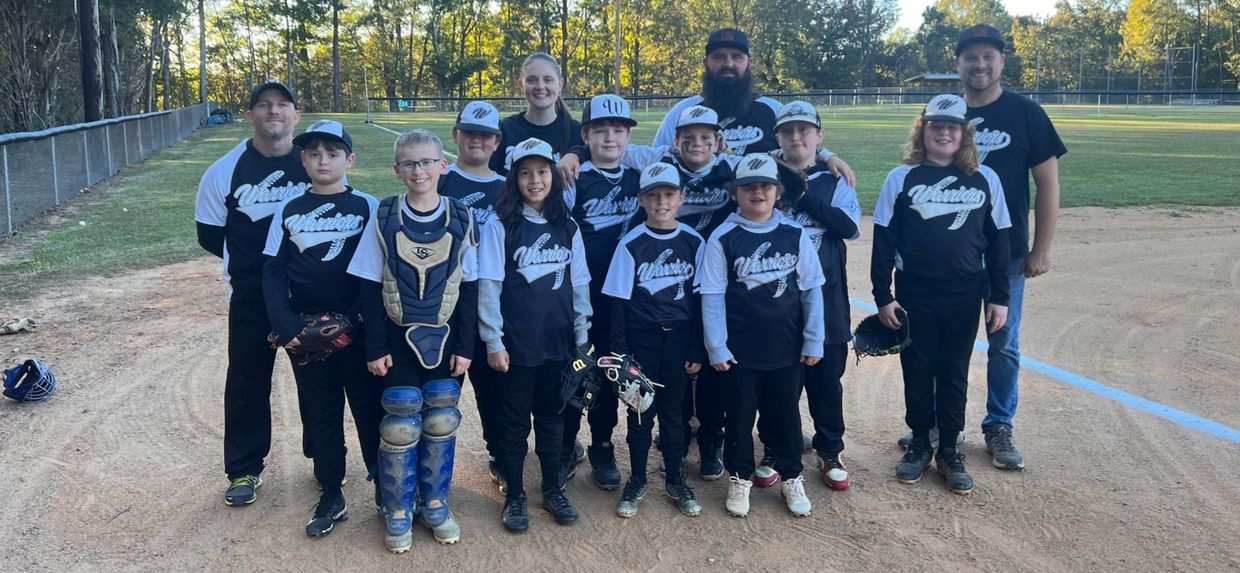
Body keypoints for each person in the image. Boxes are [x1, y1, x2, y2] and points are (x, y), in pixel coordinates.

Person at [896, 25, 1067, 469]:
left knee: (1002, 341)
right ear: (958, 64)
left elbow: (1047, 185)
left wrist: (1041, 248)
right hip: (944, 256)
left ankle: (998, 425)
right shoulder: (940, 114)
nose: (979, 64)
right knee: (934, 340)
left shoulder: (1026, 114)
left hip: (1003, 252)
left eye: (988, 56)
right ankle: (932, 425)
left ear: (1001, 62)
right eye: (970, 57)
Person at [871, 94, 1012, 495]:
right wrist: (883, 294)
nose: (944, 132)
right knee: (917, 368)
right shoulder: (902, 177)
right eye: (936, 126)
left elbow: (999, 242)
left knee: (954, 370)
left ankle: (949, 448)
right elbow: (884, 239)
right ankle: (919, 441)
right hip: (914, 290)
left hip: (964, 291)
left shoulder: (986, 178)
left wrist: (998, 296)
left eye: (952, 127)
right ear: (923, 131)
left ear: (965, 133)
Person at [347, 129, 477, 551]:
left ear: (443, 165)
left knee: (442, 418)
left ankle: (436, 501)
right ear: (397, 170)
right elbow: (369, 287)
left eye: (426, 162)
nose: (418, 170)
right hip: (396, 340)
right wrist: (375, 346)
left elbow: (469, 288)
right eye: (409, 163)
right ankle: (399, 507)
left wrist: (466, 346)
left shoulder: (461, 217)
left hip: (445, 337)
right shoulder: (384, 217)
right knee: (401, 421)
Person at [261, 120, 382, 538]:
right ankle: (331, 491)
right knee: (321, 414)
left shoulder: (368, 205)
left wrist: (360, 326)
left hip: (358, 329)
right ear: (303, 161)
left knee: (369, 411)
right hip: (308, 334)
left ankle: (384, 485)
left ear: (349, 159)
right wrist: (287, 327)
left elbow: (376, 275)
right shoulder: (289, 208)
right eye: (313, 154)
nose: (322, 160)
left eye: (332, 153)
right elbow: (273, 272)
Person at [194, 79, 309, 507]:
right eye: (264, 105)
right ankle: (244, 468)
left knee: (316, 382)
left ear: (296, 115)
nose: (273, 112)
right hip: (251, 296)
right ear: (251, 115)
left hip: (306, 296)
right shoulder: (224, 170)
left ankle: (324, 461)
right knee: (246, 382)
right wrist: (255, 266)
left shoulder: (312, 162)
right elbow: (209, 234)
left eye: (283, 105)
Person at [699, 153, 825, 518]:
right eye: (749, 186)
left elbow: (812, 290)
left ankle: (790, 475)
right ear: (735, 193)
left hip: (786, 347)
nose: (758, 192)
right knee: (738, 416)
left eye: (765, 186)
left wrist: (813, 339)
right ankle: (740, 476)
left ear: (777, 192)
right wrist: (716, 346)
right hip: (740, 351)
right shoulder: (724, 237)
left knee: (785, 414)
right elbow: (712, 295)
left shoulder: (794, 234)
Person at [477, 138, 591, 533]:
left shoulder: (567, 225)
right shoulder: (500, 224)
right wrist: (493, 341)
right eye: (525, 172)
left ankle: (551, 488)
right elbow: (489, 286)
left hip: (558, 342)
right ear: (513, 178)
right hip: (517, 341)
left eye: (542, 171)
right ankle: (515, 495)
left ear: (554, 176)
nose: (535, 179)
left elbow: (580, 286)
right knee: (512, 422)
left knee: (552, 417)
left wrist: (582, 335)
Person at [601, 162, 706, 518]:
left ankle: (675, 478)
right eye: (654, 195)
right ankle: (638, 479)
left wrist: (696, 347)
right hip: (641, 340)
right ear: (641, 200)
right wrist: (621, 352)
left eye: (669, 194)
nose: (662, 202)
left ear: (681, 198)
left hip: (679, 339)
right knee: (639, 414)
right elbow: (618, 303)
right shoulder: (631, 243)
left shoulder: (695, 241)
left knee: (675, 414)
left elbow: (702, 300)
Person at [773, 101, 861, 491]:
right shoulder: (763, 175)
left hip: (827, 300)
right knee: (779, 383)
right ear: (777, 137)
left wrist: (804, 195)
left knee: (826, 380)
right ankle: (777, 448)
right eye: (788, 131)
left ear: (818, 136)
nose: (796, 137)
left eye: (805, 130)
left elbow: (847, 227)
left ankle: (830, 448)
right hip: (777, 303)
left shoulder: (834, 180)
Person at [560, 94, 644, 491]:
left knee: (612, 371)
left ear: (627, 136)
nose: (610, 137)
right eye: (600, 130)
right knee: (576, 371)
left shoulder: (640, 178)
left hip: (623, 299)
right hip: (583, 294)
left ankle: (602, 444)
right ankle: (564, 443)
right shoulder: (576, 179)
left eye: (618, 130)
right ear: (586, 135)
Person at [438, 101, 509, 492]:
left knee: (493, 388)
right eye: (469, 133)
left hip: (494, 302)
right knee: (445, 385)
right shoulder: (442, 182)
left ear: (496, 141)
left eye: (485, 134)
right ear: (456, 136)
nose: (477, 140)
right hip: (449, 303)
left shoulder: (507, 187)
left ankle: (498, 453)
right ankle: (435, 460)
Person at [489, 53, 584, 176]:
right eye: (531, 80)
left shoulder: (577, 132)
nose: (540, 86)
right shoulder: (505, 130)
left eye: (547, 80)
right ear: (521, 84)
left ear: (560, 84)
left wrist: (576, 154)